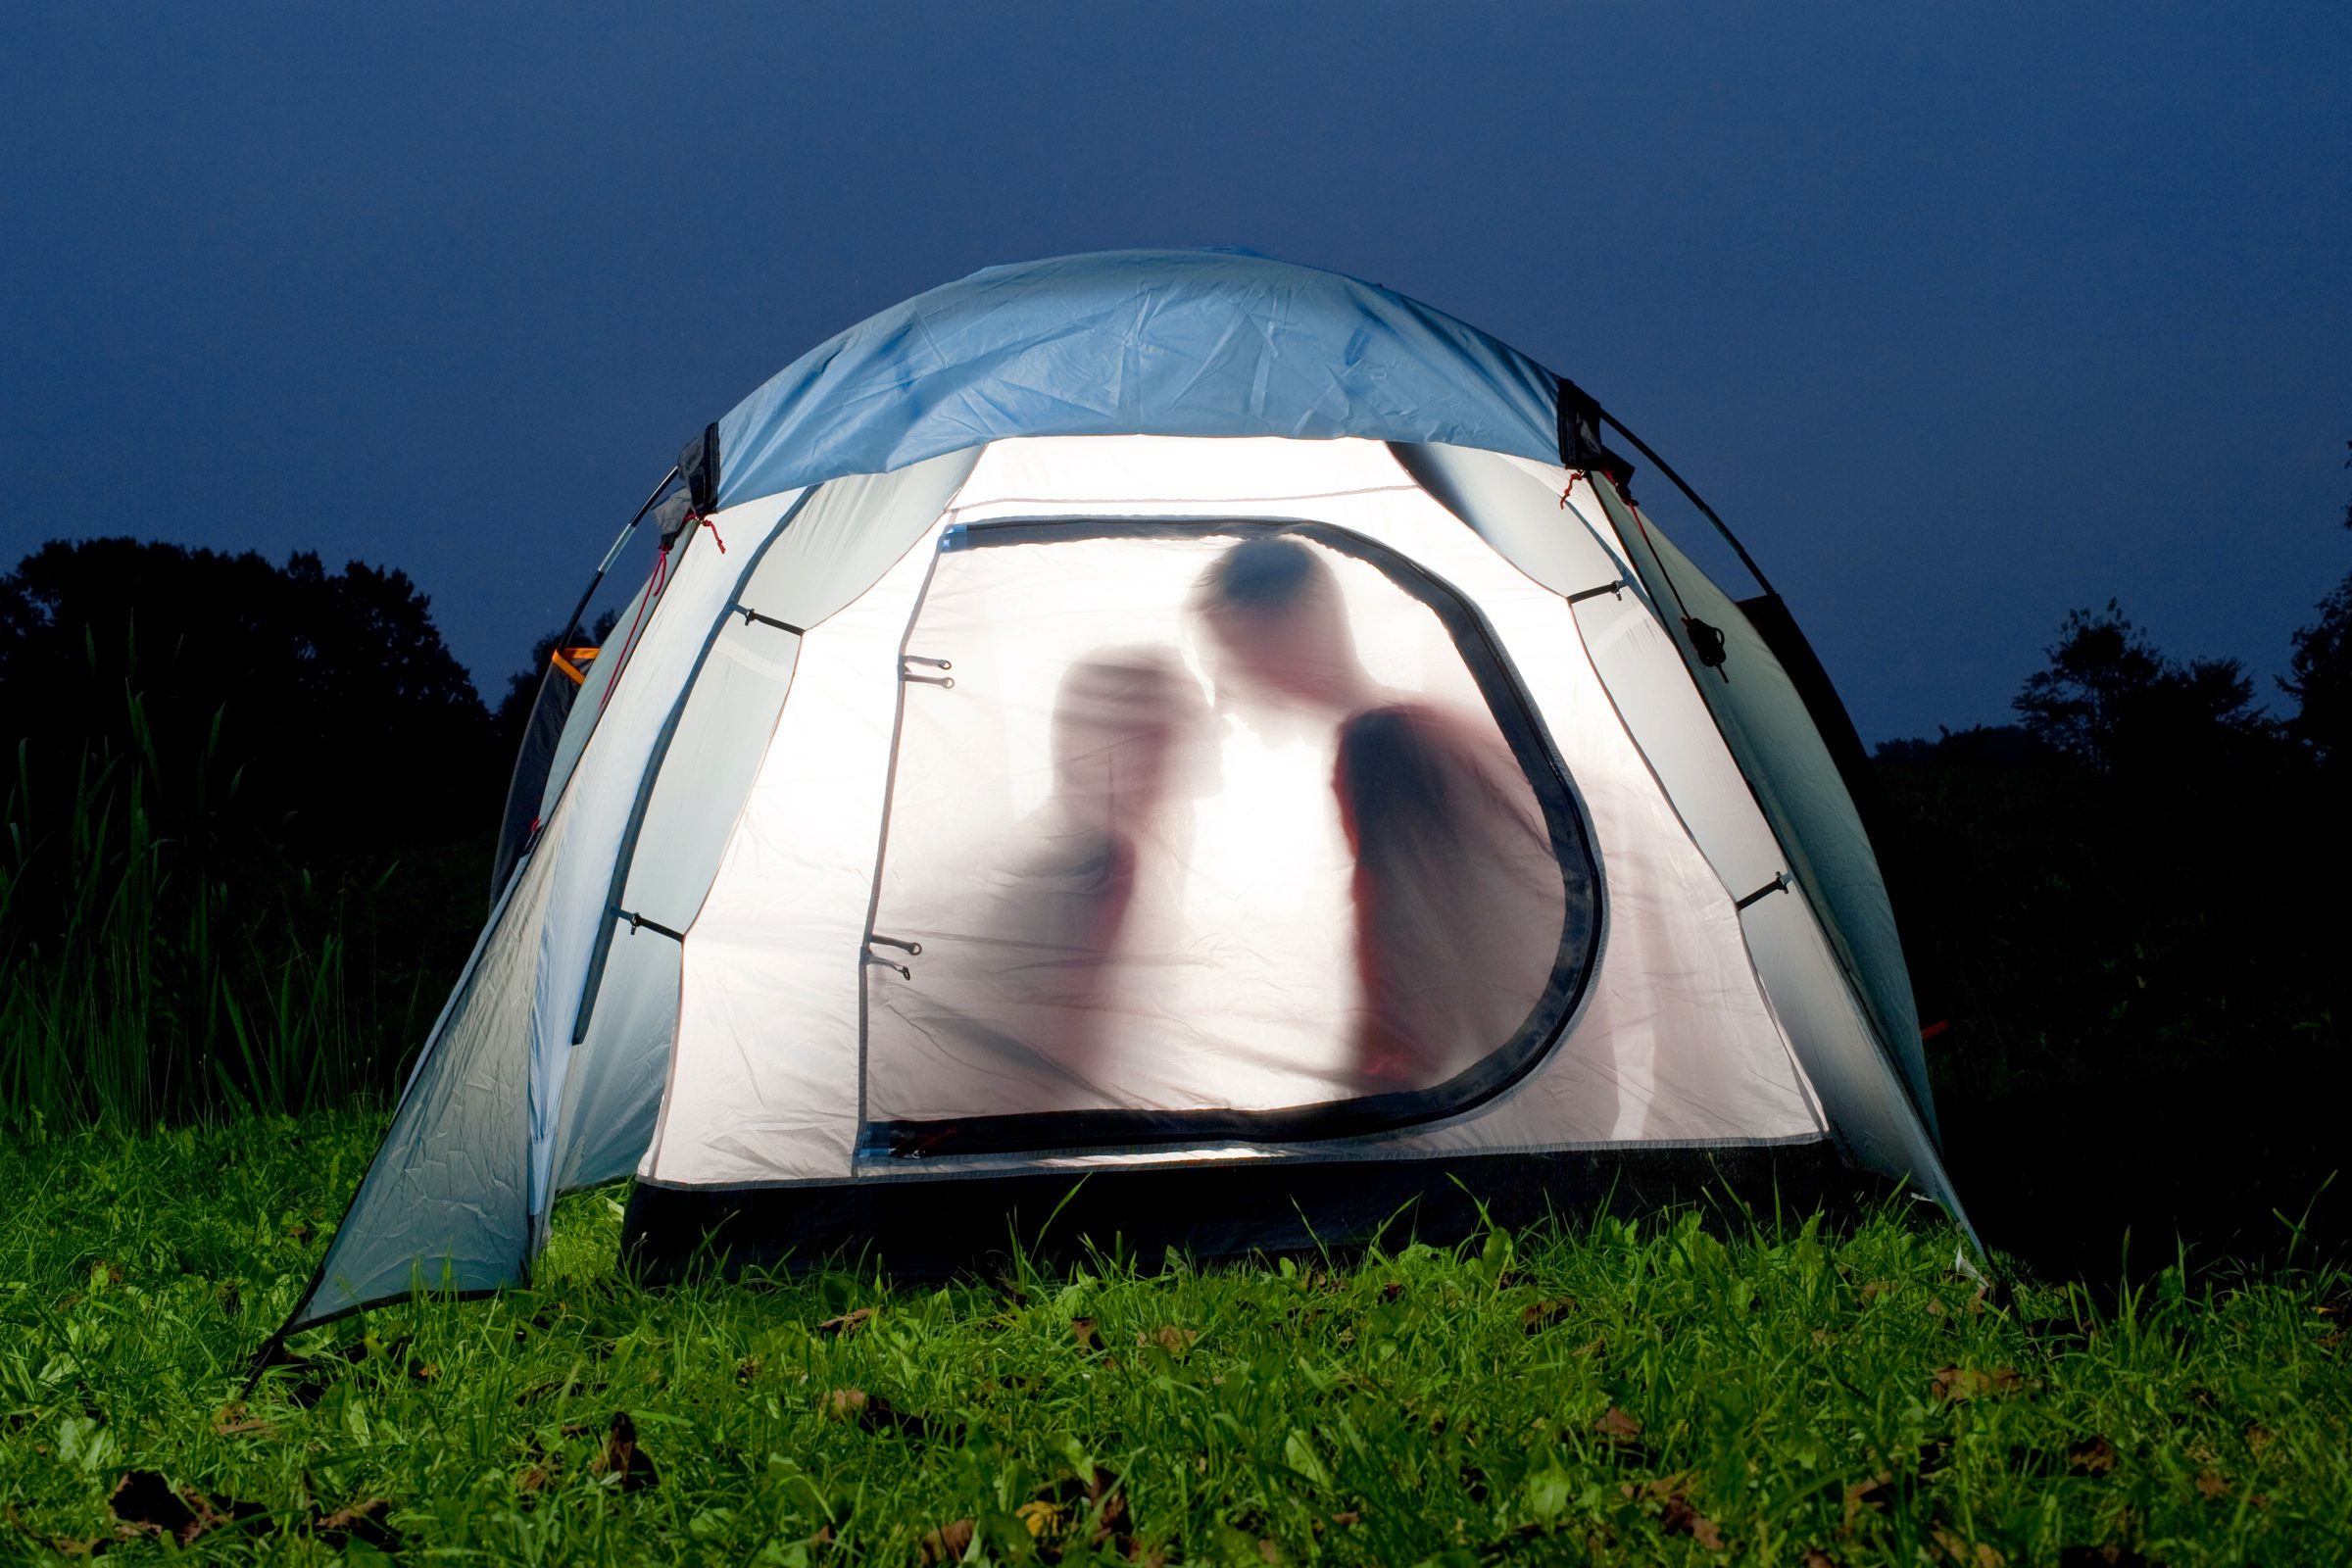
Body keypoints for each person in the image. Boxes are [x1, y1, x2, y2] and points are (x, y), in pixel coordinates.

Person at [1193, 536, 1571, 1092]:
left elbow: (1409, 961)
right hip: (1525, 1072)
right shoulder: (1414, 727)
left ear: (1303, 617)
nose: (1232, 684)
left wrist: (1358, 1110)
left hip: (1477, 1094)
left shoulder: (1383, 742)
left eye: (1236, 649)